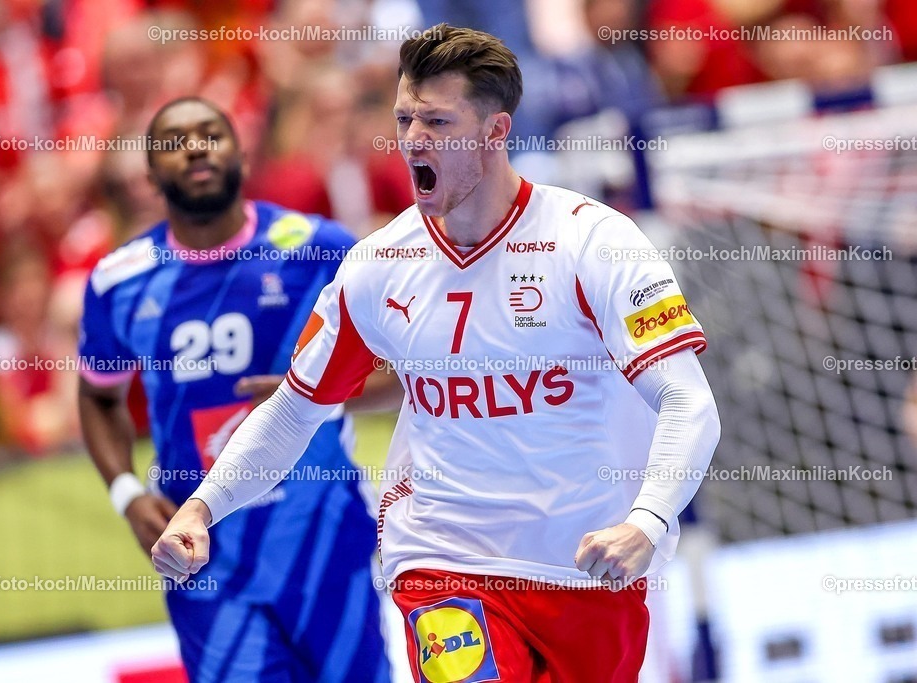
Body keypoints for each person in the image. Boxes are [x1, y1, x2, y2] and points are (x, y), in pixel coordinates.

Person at [152, 26, 721, 683]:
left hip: (591, 562)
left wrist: (646, 520)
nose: (414, 138)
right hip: (443, 556)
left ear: (494, 131)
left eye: (438, 121)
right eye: (404, 118)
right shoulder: (379, 265)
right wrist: (201, 507)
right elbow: (294, 411)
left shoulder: (592, 242)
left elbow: (689, 400)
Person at [78, 97, 395, 683]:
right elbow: (98, 396)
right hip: (204, 554)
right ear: (149, 176)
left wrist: (316, 390)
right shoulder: (119, 282)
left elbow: (405, 370)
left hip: (323, 538)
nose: (196, 147)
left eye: (211, 134)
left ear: (243, 156)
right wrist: (126, 494)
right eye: (175, 141)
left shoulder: (319, 248)